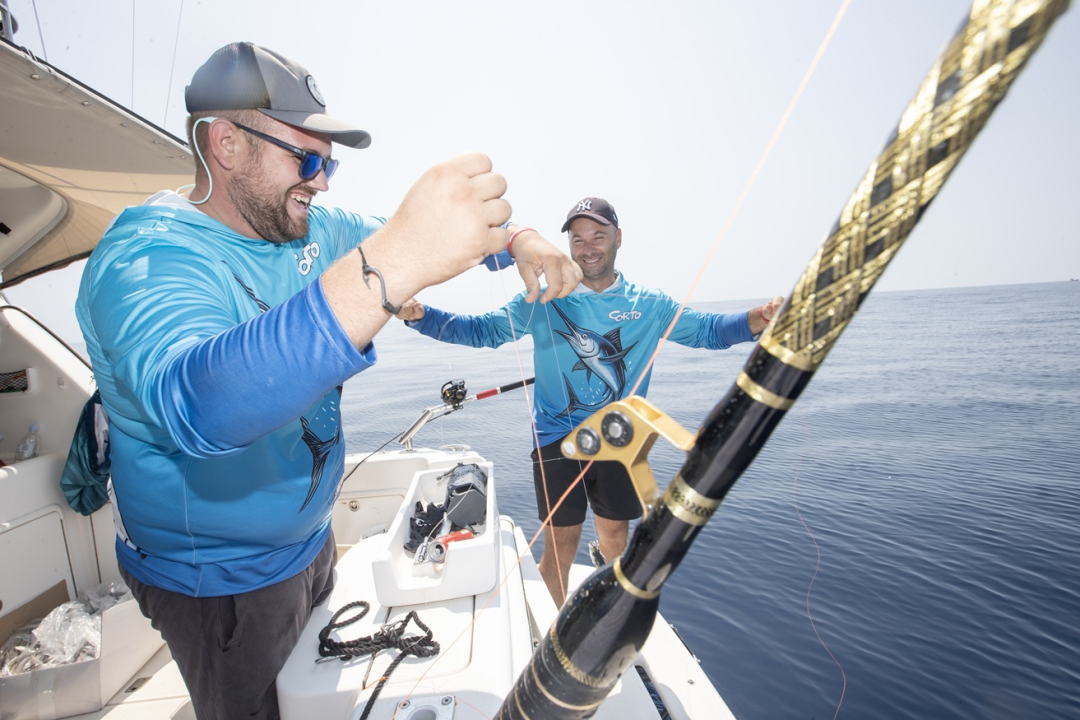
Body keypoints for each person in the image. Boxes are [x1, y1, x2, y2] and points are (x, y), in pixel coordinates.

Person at [75, 42, 581, 720]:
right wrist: (387, 265)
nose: (323, 181)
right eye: (306, 159)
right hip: (219, 586)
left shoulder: (309, 228)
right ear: (225, 145)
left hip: (311, 550)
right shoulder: (145, 254)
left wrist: (521, 240)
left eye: (329, 162)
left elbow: (443, 237)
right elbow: (197, 407)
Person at [399, 196, 782, 605]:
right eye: (578, 239)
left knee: (616, 538)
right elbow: (480, 331)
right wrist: (422, 317)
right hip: (555, 436)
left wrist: (759, 318)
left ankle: (612, 613)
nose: (588, 247)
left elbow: (709, 331)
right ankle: (555, 635)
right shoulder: (543, 299)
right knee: (560, 547)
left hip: (618, 438)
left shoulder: (648, 304)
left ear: (619, 239)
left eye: (598, 236)